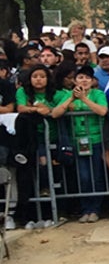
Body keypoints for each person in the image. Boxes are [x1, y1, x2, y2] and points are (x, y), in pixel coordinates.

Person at [50, 64, 107, 223]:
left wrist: (84, 99)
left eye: (87, 78)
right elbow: (55, 113)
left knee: (96, 175)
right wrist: (71, 99)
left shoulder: (98, 94)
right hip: (77, 141)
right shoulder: (67, 94)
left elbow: (102, 111)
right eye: (80, 77)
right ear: (75, 80)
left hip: (95, 140)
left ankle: (95, 209)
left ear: (93, 80)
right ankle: (85, 208)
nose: (84, 80)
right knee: (83, 177)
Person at [14, 65, 62, 228]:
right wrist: (38, 110)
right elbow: (21, 108)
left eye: (42, 76)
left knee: (50, 172)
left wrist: (47, 110)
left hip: (53, 137)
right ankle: (30, 214)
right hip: (31, 138)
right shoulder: (22, 92)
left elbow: (57, 109)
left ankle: (51, 213)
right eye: (35, 76)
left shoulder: (55, 93)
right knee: (33, 172)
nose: (39, 79)